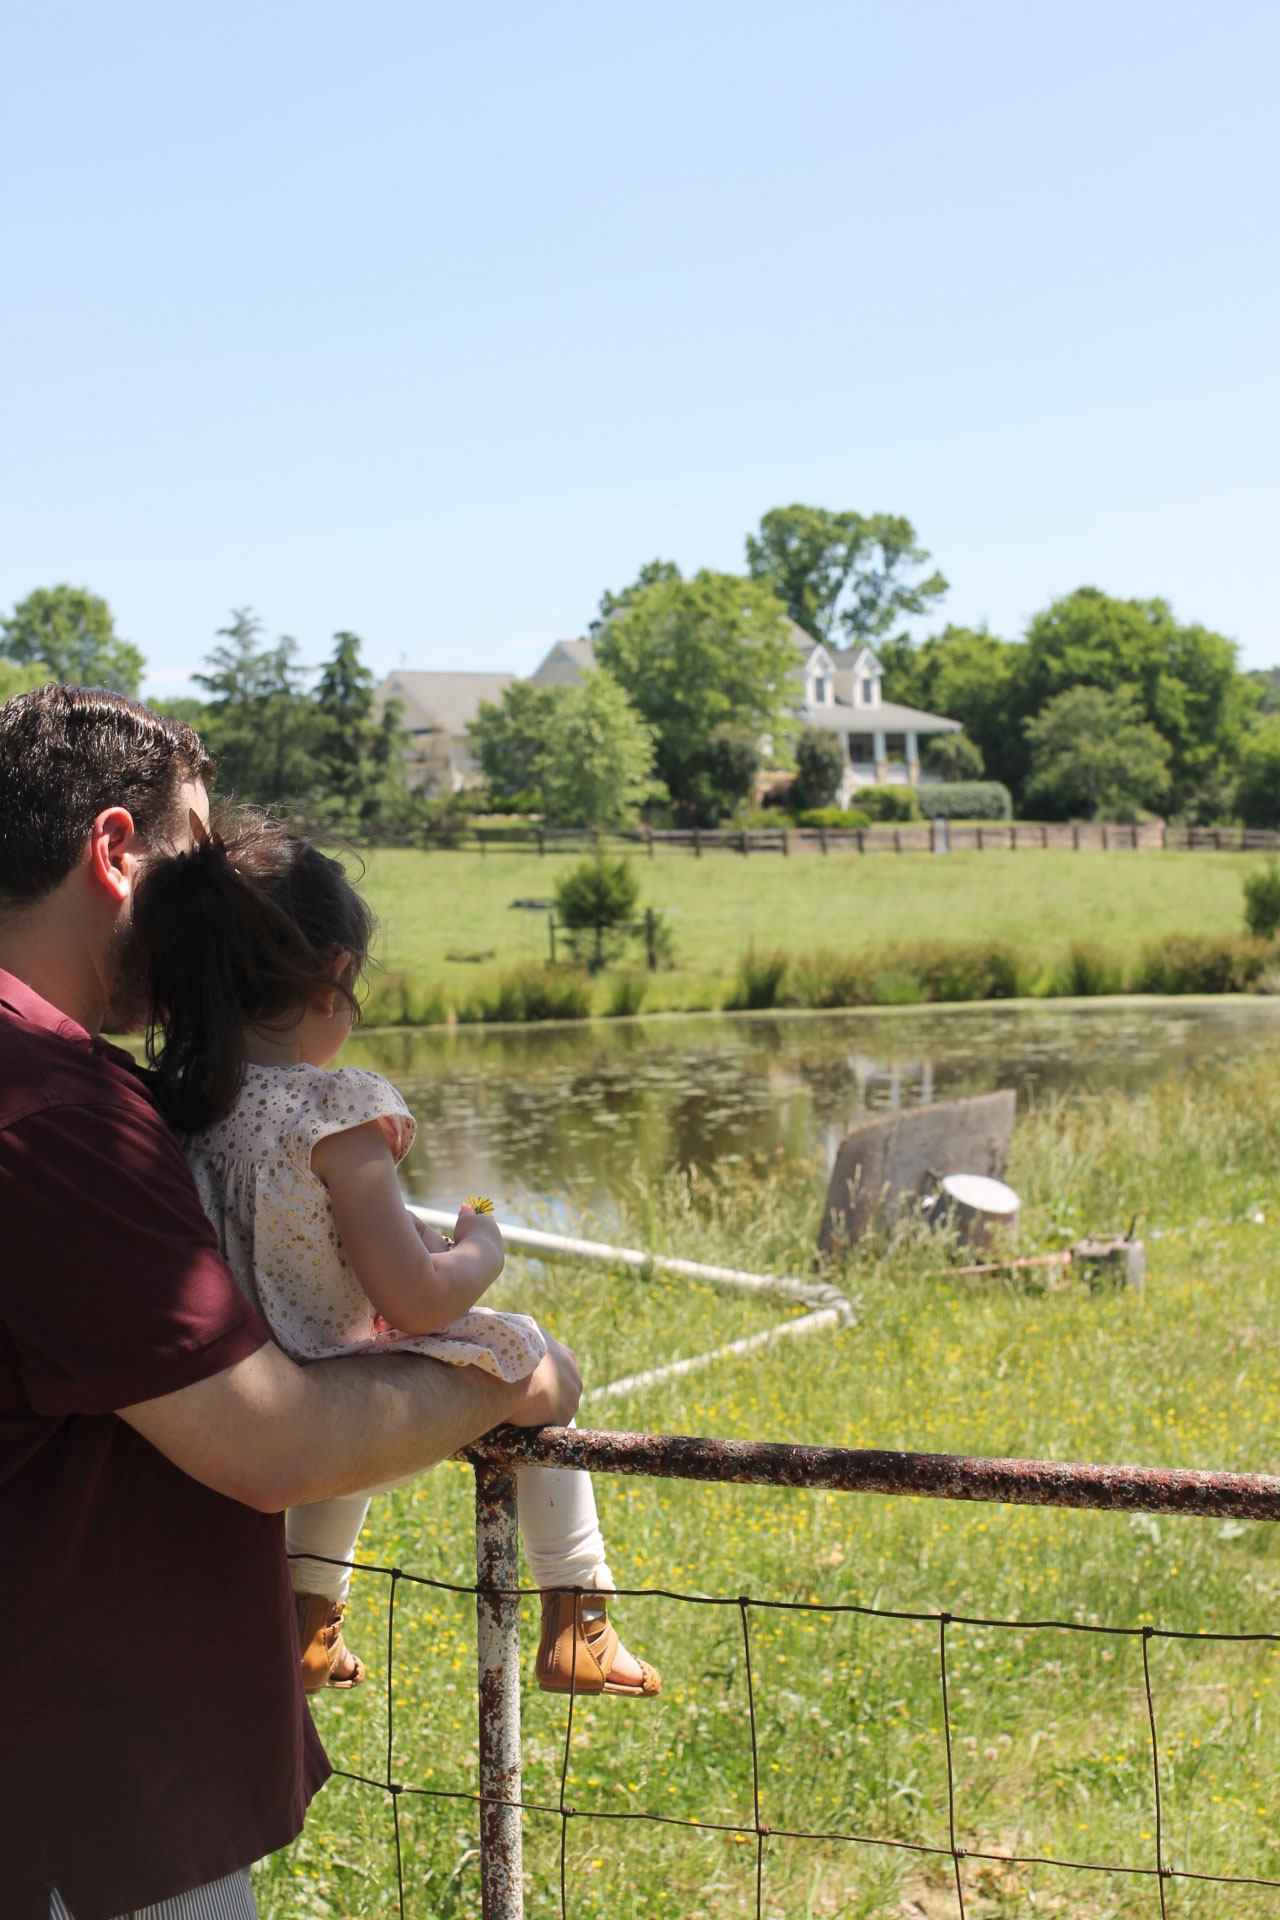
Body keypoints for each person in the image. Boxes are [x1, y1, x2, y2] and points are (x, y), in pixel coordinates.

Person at [0, 685, 581, 1920]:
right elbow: (275, 1441)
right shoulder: (48, 1108)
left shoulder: (98, 1087)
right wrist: (506, 1374)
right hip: (90, 1802)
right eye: (198, 857)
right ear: (113, 852)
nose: (223, 902)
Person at [132, 810, 660, 1701]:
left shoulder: (185, 1109)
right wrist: (480, 1243)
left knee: (348, 1415)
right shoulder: (336, 1111)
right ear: (334, 976)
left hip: (249, 1376)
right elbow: (419, 1303)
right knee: (544, 1360)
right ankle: (581, 1613)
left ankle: (310, 1623)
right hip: (334, 1378)